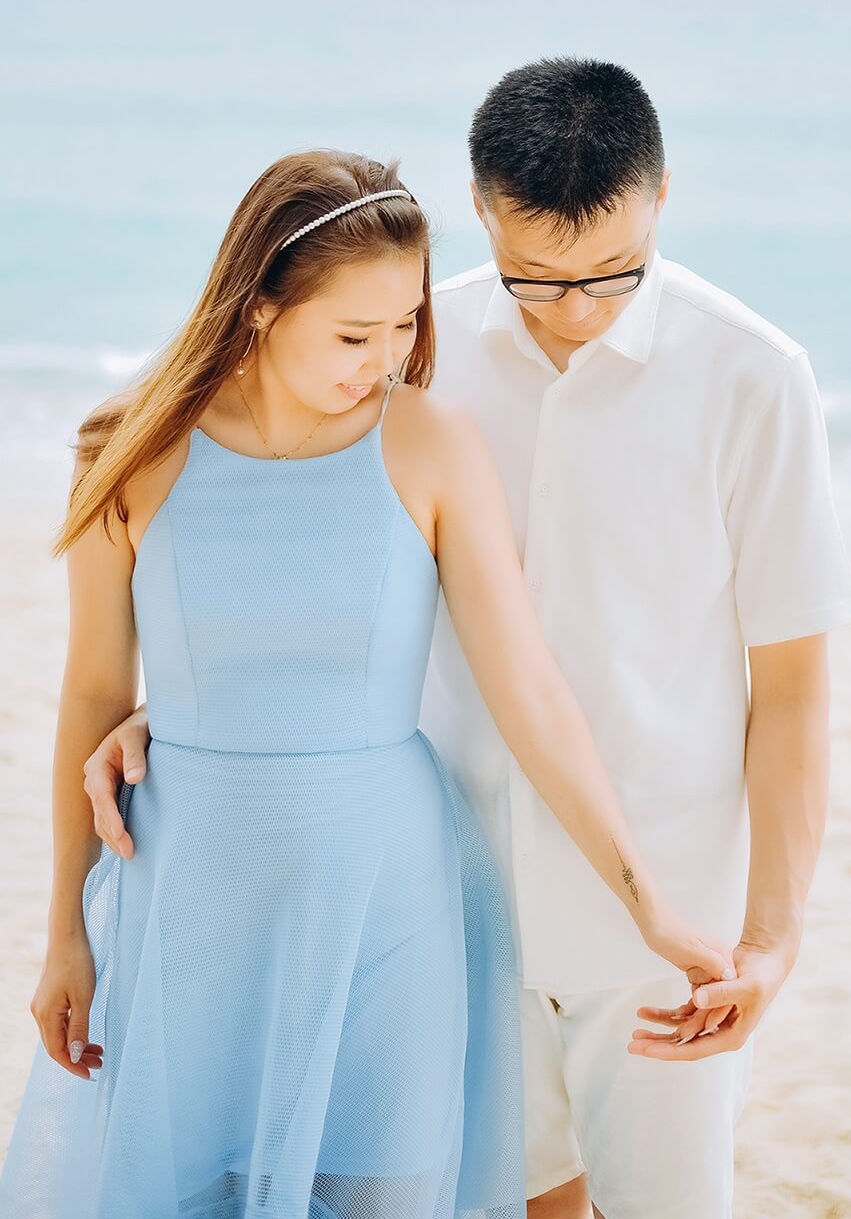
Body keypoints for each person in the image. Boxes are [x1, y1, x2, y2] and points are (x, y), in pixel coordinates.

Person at [85, 59, 851, 1219]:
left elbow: (793, 686)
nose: (578, 309)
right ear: (483, 207)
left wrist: (771, 934)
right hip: (448, 889)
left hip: (653, 898)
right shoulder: (403, 348)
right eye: (537, 279)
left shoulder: (754, 376)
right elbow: (315, 551)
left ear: (662, 198)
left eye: (614, 272)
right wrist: (191, 704)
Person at [0, 149, 732, 1219]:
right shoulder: (131, 447)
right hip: (189, 890)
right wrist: (64, 930)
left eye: (404, 327)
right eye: (353, 334)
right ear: (258, 308)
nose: (383, 359)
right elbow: (92, 697)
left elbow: (525, 684)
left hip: (387, 894)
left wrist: (650, 902)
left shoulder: (428, 441)